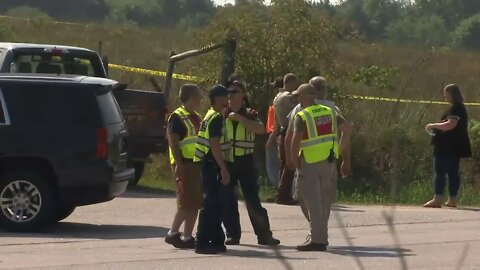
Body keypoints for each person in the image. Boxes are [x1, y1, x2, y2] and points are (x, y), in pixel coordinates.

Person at [291, 84, 352, 251]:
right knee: (324, 202)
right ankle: (321, 237)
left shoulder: (303, 115)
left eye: (298, 95)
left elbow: (296, 140)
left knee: (312, 202)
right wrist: (338, 151)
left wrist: (293, 160)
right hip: (329, 162)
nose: (297, 98)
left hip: (309, 162)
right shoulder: (329, 112)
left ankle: (318, 240)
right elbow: (347, 129)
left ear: (305, 96)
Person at [221, 80, 280, 246]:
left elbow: (260, 129)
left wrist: (240, 118)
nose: (231, 94)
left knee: (253, 200)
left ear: (243, 95)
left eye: (235, 91)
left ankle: (264, 235)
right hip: (227, 161)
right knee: (228, 200)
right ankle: (232, 235)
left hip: (245, 161)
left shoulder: (250, 113)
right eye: (229, 92)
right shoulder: (220, 113)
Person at [285, 76, 348, 221]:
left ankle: (316, 230)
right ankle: (320, 230)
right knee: (324, 198)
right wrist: (343, 158)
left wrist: (290, 158)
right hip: (329, 160)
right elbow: (345, 133)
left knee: (303, 196)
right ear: (324, 91)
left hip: (306, 159)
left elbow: (290, 137)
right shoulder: (332, 109)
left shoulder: (300, 109)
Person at [194, 84, 233, 254]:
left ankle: (217, 241)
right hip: (213, 165)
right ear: (217, 99)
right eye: (225, 97)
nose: (228, 100)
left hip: (208, 164)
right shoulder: (216, 117)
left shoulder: (211, 115)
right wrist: (223, 168)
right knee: (210, 205)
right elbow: (214, 144)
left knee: (216, 205)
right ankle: (202, 242)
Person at [165, 84, 203, 249]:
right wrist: (179, 164)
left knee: (195, 202)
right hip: (184, 164)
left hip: (195, 164)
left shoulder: (196, 116)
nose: (201, 99)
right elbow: (172, 139)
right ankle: (173, 233)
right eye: (198, 96)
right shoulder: (178, 117)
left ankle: (187, 237)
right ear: (191, 97)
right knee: (186, 202)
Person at [423, 84, 471, 208]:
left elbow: (451, 124)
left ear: (452, 94)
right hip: (455, 146)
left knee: (440, 172)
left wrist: (433, 125)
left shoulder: (455, 108)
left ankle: (437, 198)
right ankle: (452, 199)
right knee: (453, 172)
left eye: (446, 93)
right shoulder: (460, 108)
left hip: (447, 146)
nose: (445, 96)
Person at [273, 73, 299, 205]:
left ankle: (281, 192)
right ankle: (283, 195)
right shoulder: (288, 97)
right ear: (290, 82)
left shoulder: (277, 96)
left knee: (283, 165)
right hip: (288, 131)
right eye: (296, 83)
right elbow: (301, 99)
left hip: (282, 132)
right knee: (289, 165)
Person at [266, 77, 283, 189]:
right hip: (274, 134)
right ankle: (280, 189)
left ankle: (280, 188)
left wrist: (272, 137)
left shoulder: (280, 101)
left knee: (274, 164)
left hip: (275, 135)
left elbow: (278, 120)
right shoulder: (280, 100)